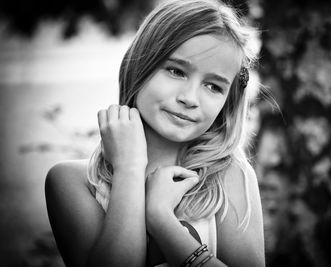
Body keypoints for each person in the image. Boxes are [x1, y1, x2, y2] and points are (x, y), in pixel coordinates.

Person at [45, 0, 265, 266]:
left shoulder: (227, 177)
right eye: (176, 71)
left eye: (213, 87)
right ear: (140, 65)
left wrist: (161, 218)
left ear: (227, 102)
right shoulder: (73, 182)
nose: (189, 98)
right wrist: (129, 169)